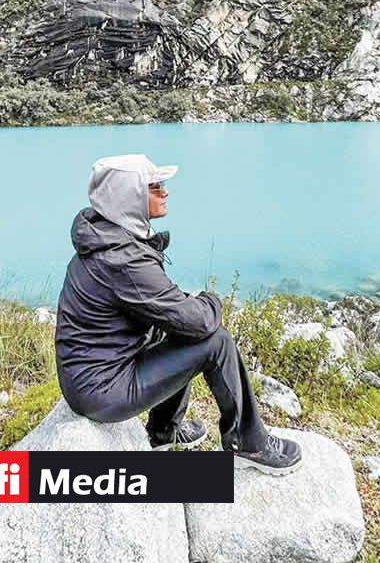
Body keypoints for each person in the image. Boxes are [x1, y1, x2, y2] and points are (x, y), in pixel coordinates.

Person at [55, 154, 302, 475]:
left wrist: (188, 307)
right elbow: (199, 322)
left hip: (95, 373)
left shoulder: (109, 234)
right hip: (101, 390)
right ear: (128, 196)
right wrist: (211, 300)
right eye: (155, 186)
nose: (165, 192)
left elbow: (165, 307)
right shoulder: (122, 259)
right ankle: (248, 442)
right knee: (215, 340)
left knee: (174, 326)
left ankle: (163, 433)